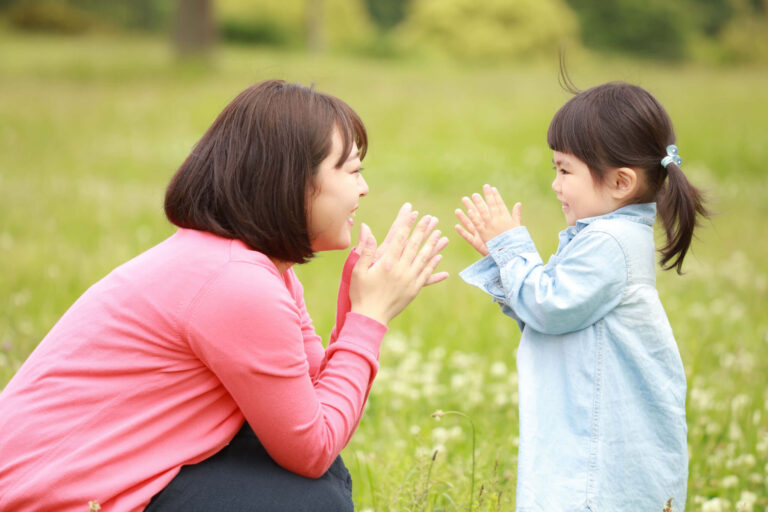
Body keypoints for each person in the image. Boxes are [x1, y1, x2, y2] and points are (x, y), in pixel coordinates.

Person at [0, 80, 449, 511]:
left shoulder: (256, 269)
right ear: (292, 180)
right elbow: (312, 447)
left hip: (71, 484)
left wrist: (355, 310)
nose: (363, 188)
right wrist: (370, 318)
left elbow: (308, 407)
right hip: (42, 498)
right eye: (352, 171)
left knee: (309, 487)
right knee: (307, 501)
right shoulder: (236, 283)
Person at [454, 80, 706, 511]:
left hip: (595, 458)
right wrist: (503, 262)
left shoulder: (610, 242)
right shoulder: (604, 237)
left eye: (565, 171)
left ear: (621, 182)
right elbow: (551, 316)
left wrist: (512, 249)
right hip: (588, 439)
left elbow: (548, 306)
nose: (555, 184)